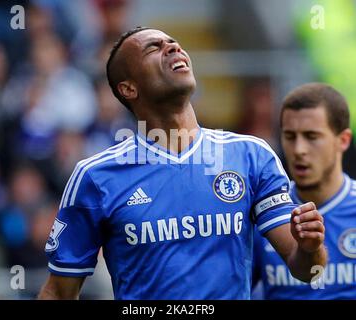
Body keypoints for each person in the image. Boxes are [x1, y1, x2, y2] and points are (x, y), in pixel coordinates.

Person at [38, 27, 327, 300]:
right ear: (128, 88)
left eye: (173, 43)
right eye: (154, 48)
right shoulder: (96, 176)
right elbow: (59, 291)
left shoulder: (252, 156)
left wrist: (310, 248)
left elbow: (304, 268)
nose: (172, 47)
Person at [252, 83, 356, 299]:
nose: (299, 150)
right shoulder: (266, 213)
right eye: (290, 136)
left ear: (343, 140)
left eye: (311, 136)